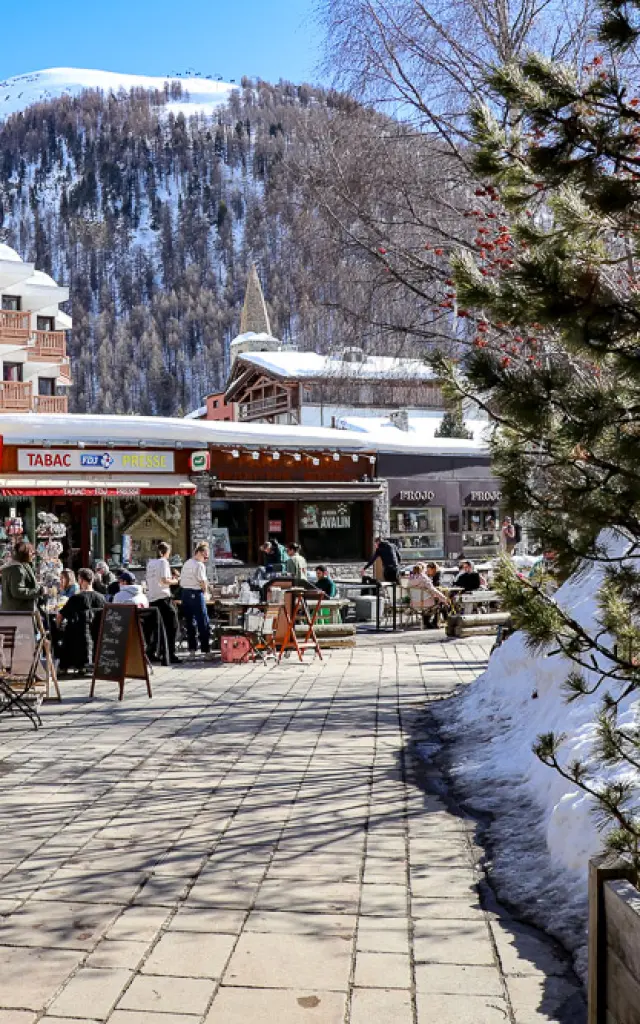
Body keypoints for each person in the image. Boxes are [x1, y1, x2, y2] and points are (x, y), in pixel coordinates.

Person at [57, 568, 105, 675]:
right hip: (98, 635)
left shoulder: (76, 598)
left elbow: (60, 616)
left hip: (79, 636)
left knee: (66, 632)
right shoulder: (102, 598)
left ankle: (64, 666)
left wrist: (58, 627)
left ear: (81, 581)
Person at [146, 542, 180, 664]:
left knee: (157, 628)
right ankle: (170, 654)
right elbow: (164, 580)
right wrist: (176, 581)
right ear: (166, 552)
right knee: (172, 626)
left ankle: (153, 652)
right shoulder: (163, 562)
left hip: (152, 599)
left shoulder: (150, 563)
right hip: (163, 598)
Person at [179, 542, 210, 656]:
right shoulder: (199, 565)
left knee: (190, 622)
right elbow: (202, 582)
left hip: (185, 594)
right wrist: (206, 592)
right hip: (195, 593)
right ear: (201, 553)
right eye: (206, 556)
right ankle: (206, 650)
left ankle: (192, 650)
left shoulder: (187, 562)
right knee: (203, 622)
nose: (206, 559)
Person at [1, 541, 39, 612]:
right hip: (19, 612)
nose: (33, 555)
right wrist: (39, 591)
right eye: (31, 552)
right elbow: (17, 592)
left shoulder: (14, 566)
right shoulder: (17, 569)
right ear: (25, 553)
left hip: (13, 610)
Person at [409, 563, 448, 628]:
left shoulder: (410, 579)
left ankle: (428, 621)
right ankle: (440, 622)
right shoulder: (424, 578)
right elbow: (433, 590)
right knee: (441, 603)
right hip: (425, 603)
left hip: (413, 603)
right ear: (423, 570)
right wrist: (444, 598)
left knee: (438, 602)